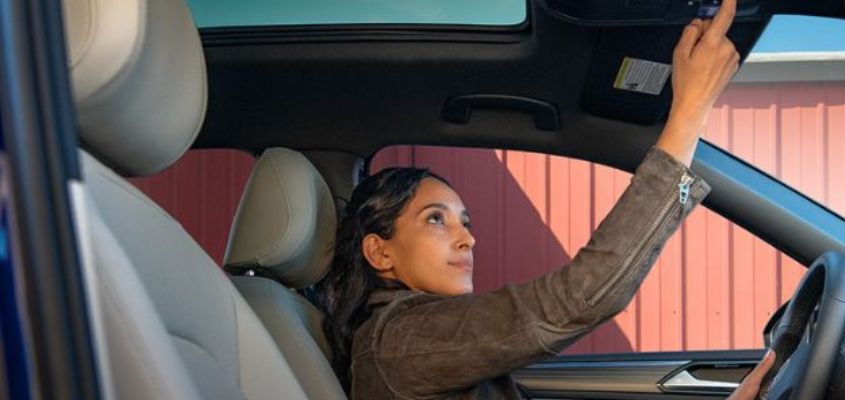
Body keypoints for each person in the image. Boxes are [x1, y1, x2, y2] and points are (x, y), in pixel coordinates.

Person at [317, 0, 777, 397]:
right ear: (379, 251)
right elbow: (579, 298)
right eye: (436, 219)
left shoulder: (412, 335)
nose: (467, 240)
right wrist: (690, 109)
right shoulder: (400, 339)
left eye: (466, 222)